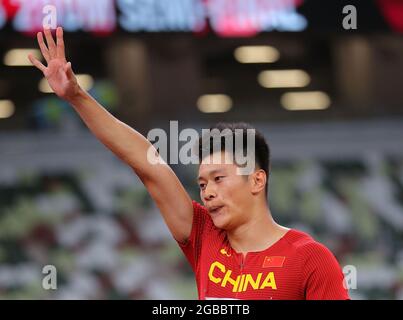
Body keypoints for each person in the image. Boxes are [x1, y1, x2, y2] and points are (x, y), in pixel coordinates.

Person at [29, 27, 350, 300]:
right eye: (202, 183)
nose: (207, 192)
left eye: (219, 178)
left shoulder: (309, 259)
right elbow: (145, 162)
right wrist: (77, 97)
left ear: (257, 180)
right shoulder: (202, 235)